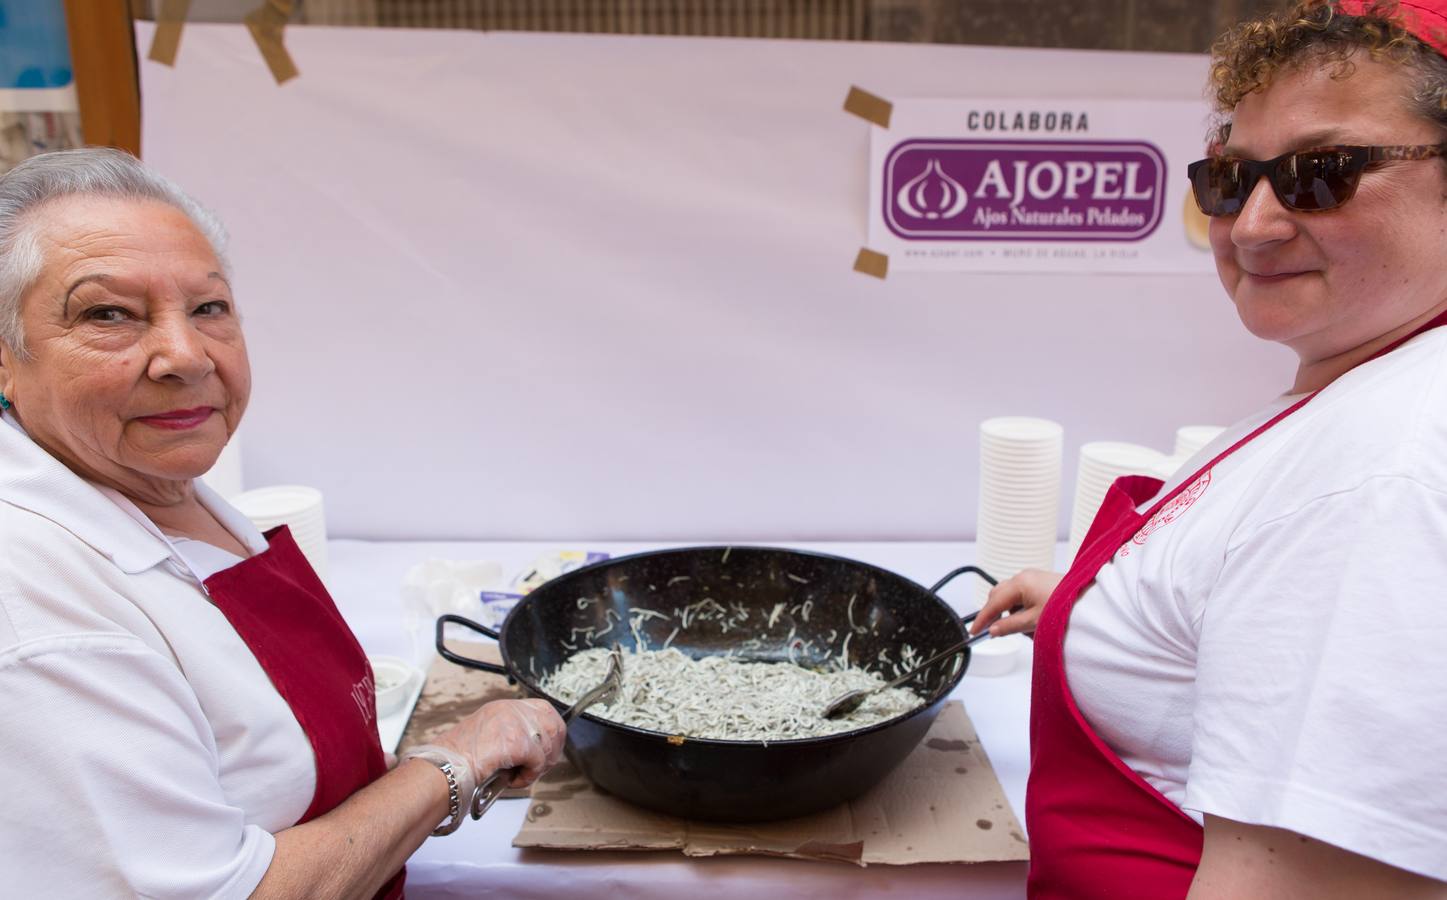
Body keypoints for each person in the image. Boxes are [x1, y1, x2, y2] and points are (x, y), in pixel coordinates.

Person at [970, 1, 1447, 896]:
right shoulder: (1371, 380)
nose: (1254, 225)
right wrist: (1093, 603)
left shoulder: (1382, 473)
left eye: (1322, 173)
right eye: (1229, 180)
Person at [0, 148, 567, 898]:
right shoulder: (39, 611)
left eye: (209, 307)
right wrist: (455, 762)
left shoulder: (160, 482)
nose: (185, 355)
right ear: (8, 361)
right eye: (108, 313)